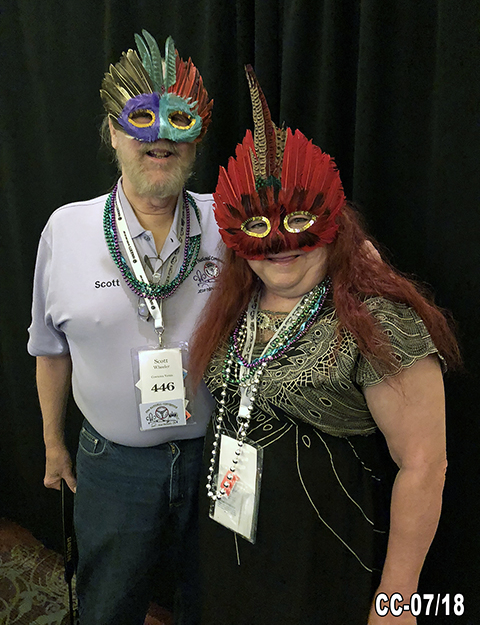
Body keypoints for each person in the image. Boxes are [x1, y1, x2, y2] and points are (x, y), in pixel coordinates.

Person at [188, 67, 461, 625]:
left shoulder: (380, 319)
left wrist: (396, 602)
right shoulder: (237, 304)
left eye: (298, 219)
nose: (280, 244)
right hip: (231, 546)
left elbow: (425, 463)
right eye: (258, 227)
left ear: (331, 218)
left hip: (325, 562)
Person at [28, 30, 221, 625]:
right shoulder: (66, 230)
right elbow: (50, 349)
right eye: (140, 119)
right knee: (108, 606)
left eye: (178, 121)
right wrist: (53, 443)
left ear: (196, 138)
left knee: (216, 602)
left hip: (216, 459)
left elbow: (305, 259)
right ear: (113, 132)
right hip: (112, 466)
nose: (159, 137)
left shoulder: (230, 224)